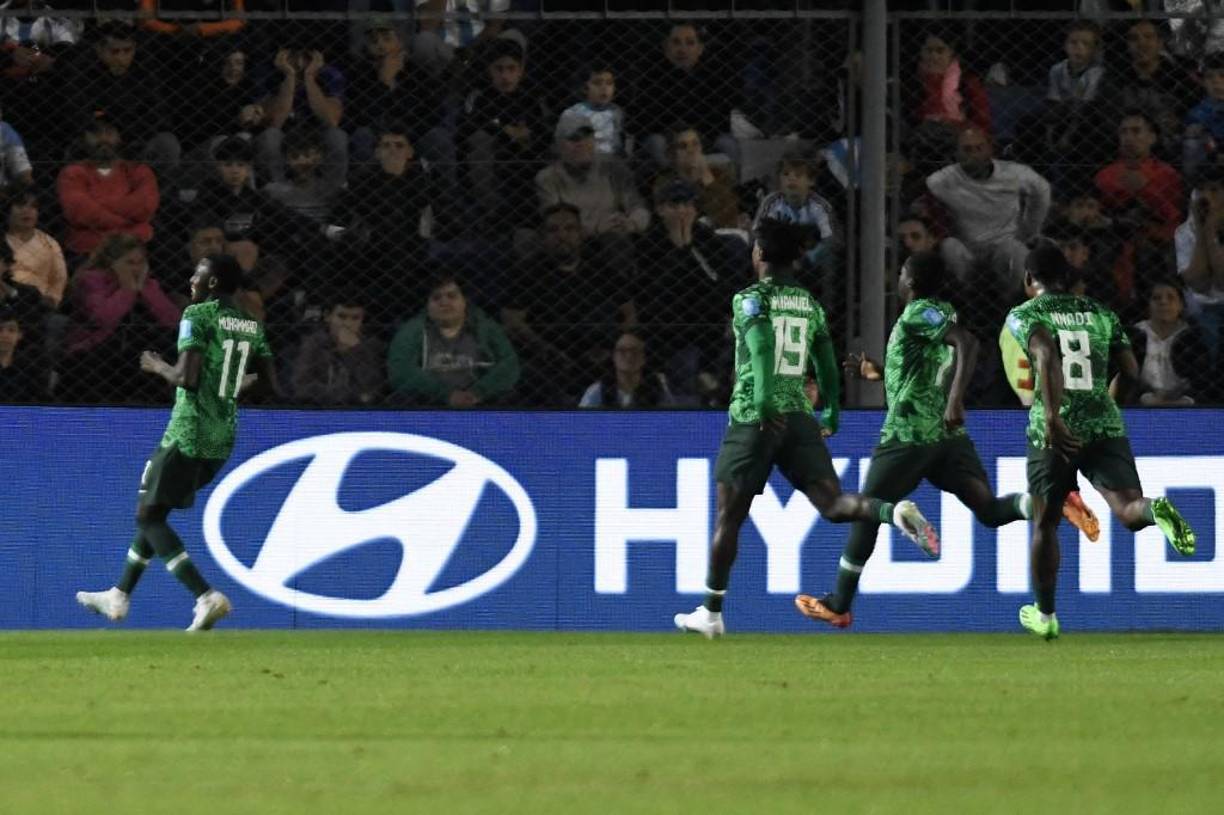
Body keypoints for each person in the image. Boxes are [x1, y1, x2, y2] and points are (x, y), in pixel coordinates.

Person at [794, 251, 1099, 629]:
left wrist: (956, 399)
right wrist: (879, 372)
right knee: (988, 510)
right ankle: (1049, 501)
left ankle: (839, 603)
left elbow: (968, 345)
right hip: (947, 439)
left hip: (909, 435)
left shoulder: (919, 312)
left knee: (866, 513)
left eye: (903, 272)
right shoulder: (942, 311)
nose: (899, 279)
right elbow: (929, 365)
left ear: (911, 280)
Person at [672, 219, 939, 639]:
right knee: (833, 505)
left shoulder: (749, 299)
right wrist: (831, 408)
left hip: (755, 416)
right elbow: (827, 361)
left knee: (729, 516)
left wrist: (762, 398)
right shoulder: (808, 304)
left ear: (759, 252)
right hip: (799, 417)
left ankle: (711, 612)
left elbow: (760, 346)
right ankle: (892, 512)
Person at [1004, 243, 1197, 640]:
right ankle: (1153, 509)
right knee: (1128, 509)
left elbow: (1044, 355)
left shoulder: (1026, 314)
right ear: (1068, 278)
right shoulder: (1101, 313)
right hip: (1104, 422)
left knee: (1045, 521)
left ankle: (1045, 615)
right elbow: (1129, 371)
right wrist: (1108, 408)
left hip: (1052, 428)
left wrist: (1055, 416)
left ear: (1029, 281)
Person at [76, 253, 277, 632]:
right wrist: (227, 389)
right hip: (222, 437)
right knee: (157, 512)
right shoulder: (251, 324)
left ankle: (204, 596)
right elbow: (268, 383)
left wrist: (156, 366)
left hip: (188, 430)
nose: (192, 281)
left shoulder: (197, 315)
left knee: (147, 515)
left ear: (213, 283)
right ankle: (119, 594)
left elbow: (186, 378)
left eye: (198, 275)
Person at [387, 273, 520, 407]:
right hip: (429, 401)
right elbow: (400, 370)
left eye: (452, 296)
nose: (444, 302)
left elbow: (510, 364)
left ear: (464, 301)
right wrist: (447, 395)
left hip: (481, 400)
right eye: (436, 298)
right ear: (427, 305)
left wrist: (478, 392)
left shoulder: (486, 327)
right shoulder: (412, 330)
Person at [56, 116, 160, 258]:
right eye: (96, 134)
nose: (103, 139)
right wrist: (125, 222)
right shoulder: (72, 172)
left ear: (120, 137)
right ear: (84, 138)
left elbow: (145, 206)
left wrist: (97, 205)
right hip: (87, 251)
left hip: (138, 248)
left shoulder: (139, 170)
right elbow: (79, 211)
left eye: (109, 133)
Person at [1128, 279, 1215, 406]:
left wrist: (1185, 399)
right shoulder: (1135, 335)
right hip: (1141, 402)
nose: (1163, 302)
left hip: (1186, 403)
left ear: (1180, 305)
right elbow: (1125, 376)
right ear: (1148, 305)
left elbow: (1203, 379)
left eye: (1171, 298)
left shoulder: (1194, 337)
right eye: (1156, 298)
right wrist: (1144, 396)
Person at [290, 294, 385, 406]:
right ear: (328, 316)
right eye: (341, 316)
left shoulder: (371, 346)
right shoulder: (313, 344)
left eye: (355, 318)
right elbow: (302, 387)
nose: (348, 324)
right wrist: (349, 395)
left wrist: (355, 351)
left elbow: (373, 388)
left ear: (362, 320)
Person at [4, 184, 67, 309]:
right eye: (21, 205)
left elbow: (59, 278)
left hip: (39, 305)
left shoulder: (49, 243)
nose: (27, 210)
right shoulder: (3, 239)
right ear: (8, 209)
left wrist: (53, 299)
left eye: (33, 206)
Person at [578, 331, 674, 408]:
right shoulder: (597, 390)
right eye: (622, 350)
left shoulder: (659, 387)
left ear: (644, 358)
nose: (629, 356)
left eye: (635, 351)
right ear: (614, 357)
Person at [557, 63, 626, 157]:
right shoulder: (573, 113)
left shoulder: (617, 112)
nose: (604, 88)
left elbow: (618, 143)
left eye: (609, 83)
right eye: (597, 83)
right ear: (585, 88)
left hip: (611, 161)